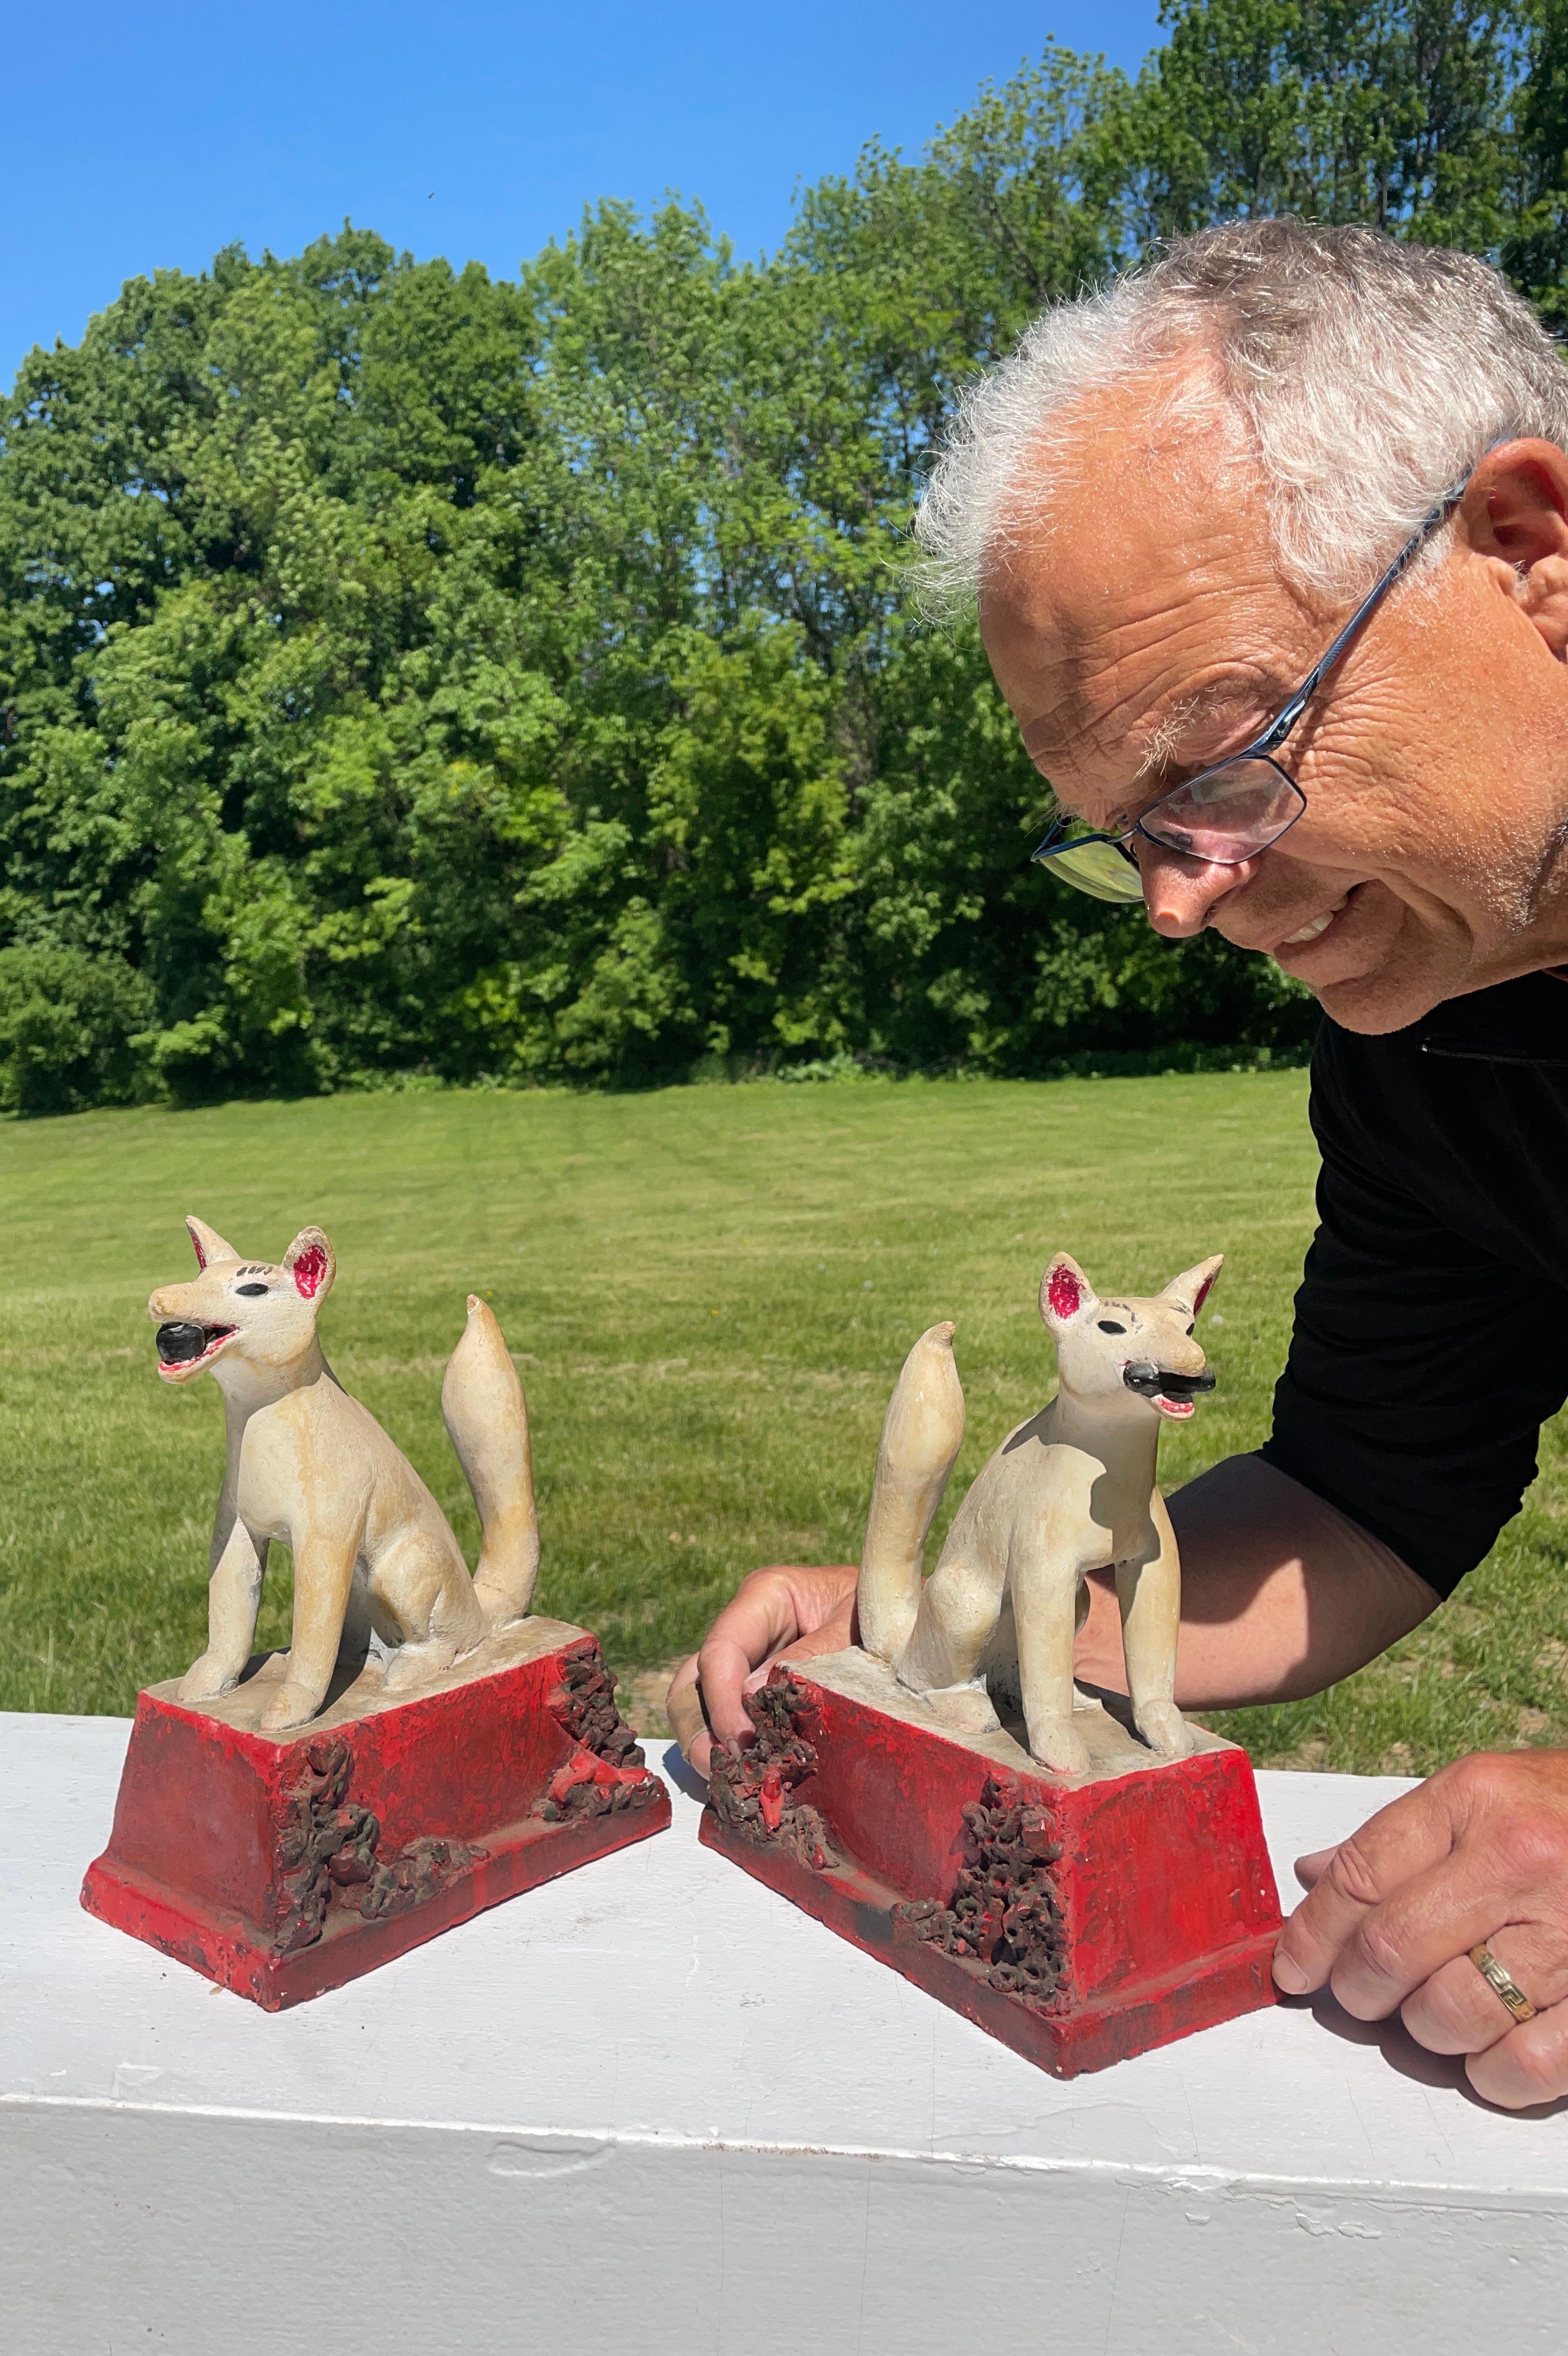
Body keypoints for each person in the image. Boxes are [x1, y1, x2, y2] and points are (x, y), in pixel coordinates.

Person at [668, 219, 1568, 2109]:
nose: (1179, 907)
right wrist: (973, 1625)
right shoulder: (1447, 1022)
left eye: (1221, 767)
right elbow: (1365, 1495)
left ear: (1528, 551)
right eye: (1126, 836)